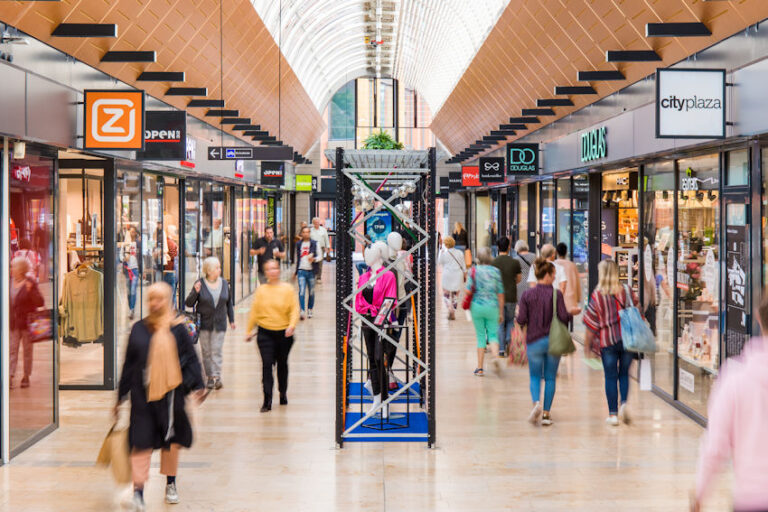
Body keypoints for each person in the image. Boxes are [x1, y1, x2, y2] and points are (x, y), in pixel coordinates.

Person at [116, 282, 204, 510]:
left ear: (168, 301)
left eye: (160, 299)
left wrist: (198, 386)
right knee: (140, 442)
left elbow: (191, 358)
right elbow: (128, 364)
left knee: (170, 443)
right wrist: (120, 397)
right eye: (152, 299)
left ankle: (171, 483)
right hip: (142, 396)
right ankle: (138, 492)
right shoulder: (138, 329)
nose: (155, 304)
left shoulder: (178, 328)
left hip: (171, 397)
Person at [691, 293, 768, 512]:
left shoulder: (735, 379)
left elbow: (715, 446)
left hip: (751, 498)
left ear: (758, 319)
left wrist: (700, 492)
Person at [516, 257, 572, 426]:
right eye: (553, 274)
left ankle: (536, 404)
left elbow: (521, 319)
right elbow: (563, 317)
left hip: (533, 340)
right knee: (550, 378)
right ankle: (546, 414)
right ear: (547, 275)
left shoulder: (527, 295)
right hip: (552, 341)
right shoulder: (557, 295)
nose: (555, 277)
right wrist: (571, 313)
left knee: (534, 376)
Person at [582, 259, 638, 426]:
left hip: (608, 341)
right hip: (627, 340)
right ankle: (625, 404)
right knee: (624, 374)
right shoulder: (626, 290)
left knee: (611, 377)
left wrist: (588, 346)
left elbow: (591, 324)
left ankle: (613, 415)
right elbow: (637, 310)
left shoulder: (597, 295)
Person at [246, 259, 300, 412]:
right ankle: (267, 399)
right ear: (265, 272)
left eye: (275, 268)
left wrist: (291, 325)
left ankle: (282, 392)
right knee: (267, 365)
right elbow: (255, 312)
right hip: (264, 334)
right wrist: (249, 330)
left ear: (279, 270)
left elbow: (294, 309)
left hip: (284, 334)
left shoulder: (287, 289)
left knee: (282, 365)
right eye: (269, 269)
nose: (272, 271)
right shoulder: (261, 290)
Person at [184, 257, 235, 390]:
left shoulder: (224, 283)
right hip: (204, 324)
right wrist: (195, 291)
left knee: (216, 350)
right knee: (206, 351)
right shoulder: (199, 283)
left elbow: (229, 303)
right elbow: (188, 303)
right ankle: (210, 377)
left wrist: (232, 320)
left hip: (220, 323)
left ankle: (217, 376)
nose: (220, 269)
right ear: (209, 270)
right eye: (217, 267)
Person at [466, 247, 504, 377]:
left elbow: (468, 291)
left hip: (477, 306)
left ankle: (480, 368)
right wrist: (501, 312)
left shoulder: (473, 271)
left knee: (481, 336)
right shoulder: (496, 272)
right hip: (493, 306)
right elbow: (500, 293)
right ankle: (495, 356)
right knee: (493, 334)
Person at [9, 257, 44, 389]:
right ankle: (10, 376)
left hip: (27, 323)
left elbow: (40, 302)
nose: (11, 269)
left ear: (21, 269)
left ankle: (26, 376)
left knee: (27, 351)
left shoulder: (30, 282)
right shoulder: (9, 282)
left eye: (14, 267)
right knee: (12, 350)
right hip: (13, 323)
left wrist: (31, 291)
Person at [492, 237, 521, 356]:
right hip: (511, 296)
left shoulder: (494, 262)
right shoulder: (515, 262)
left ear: (498, 247)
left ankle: (501, 349)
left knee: (500, 322)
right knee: (510, 321)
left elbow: (492, 280)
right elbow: (518, 279)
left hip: (497, 298)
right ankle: (509, 340)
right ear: (509, 247)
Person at [437, 236, 466, 320]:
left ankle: (450, 309)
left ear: (445, 245)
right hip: (458, 275)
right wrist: (465, 275)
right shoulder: (460, 253)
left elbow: (439, 262)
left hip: (447, 275)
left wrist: (440, 251)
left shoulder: (444, 254)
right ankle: (453, 310)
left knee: (446, 295)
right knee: (455, 295)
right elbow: (463, 266)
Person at [294, 226, 318, 320]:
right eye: (304, 232)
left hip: (311, 271)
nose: (306, 234)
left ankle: (310, 309)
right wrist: (296, 271)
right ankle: (302, 310)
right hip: (301, 270)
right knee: (302, 291)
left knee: (311, 292)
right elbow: (297, 258)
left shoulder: (314, 243)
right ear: (301, 233)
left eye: (307, 232)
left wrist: (314, 259)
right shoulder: (298, 244)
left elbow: (318, 256)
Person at [555, 242, 583, 315]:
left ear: (556, 252)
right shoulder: (571, 265)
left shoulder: (553, 265)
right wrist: (578, 298)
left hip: (555, 298)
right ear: (566, 252)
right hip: (570, 299)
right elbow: (577, 282)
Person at [120, 226, 140, 320]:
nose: (131, 233)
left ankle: (132, 310)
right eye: (130, 231)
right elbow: (120, 255)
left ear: (135, 233)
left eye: (133, 231)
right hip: (127, 270)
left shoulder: (138, 243)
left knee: (133, 291)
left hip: (135, 269)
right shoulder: (126, 244)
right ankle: (130, 308)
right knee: (128, 291)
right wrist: (124, 258)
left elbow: (142, 256)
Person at [513, 240, 535, 310]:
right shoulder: (534, 257)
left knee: (521, 306)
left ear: (517, 248)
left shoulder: (515, 259)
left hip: (519, 284)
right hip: (532, 283)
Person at [310, 217, 331, 283]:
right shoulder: (311, 230)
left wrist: (328, 248)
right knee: (313, 262)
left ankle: (319, 277)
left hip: (321, 248)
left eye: (318, 222)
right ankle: (313, 276)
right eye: (315, 222)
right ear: (313, 223)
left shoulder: (323, 230)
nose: (317, 224)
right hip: (313, 248)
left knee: (320, 263)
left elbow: (326, 239)